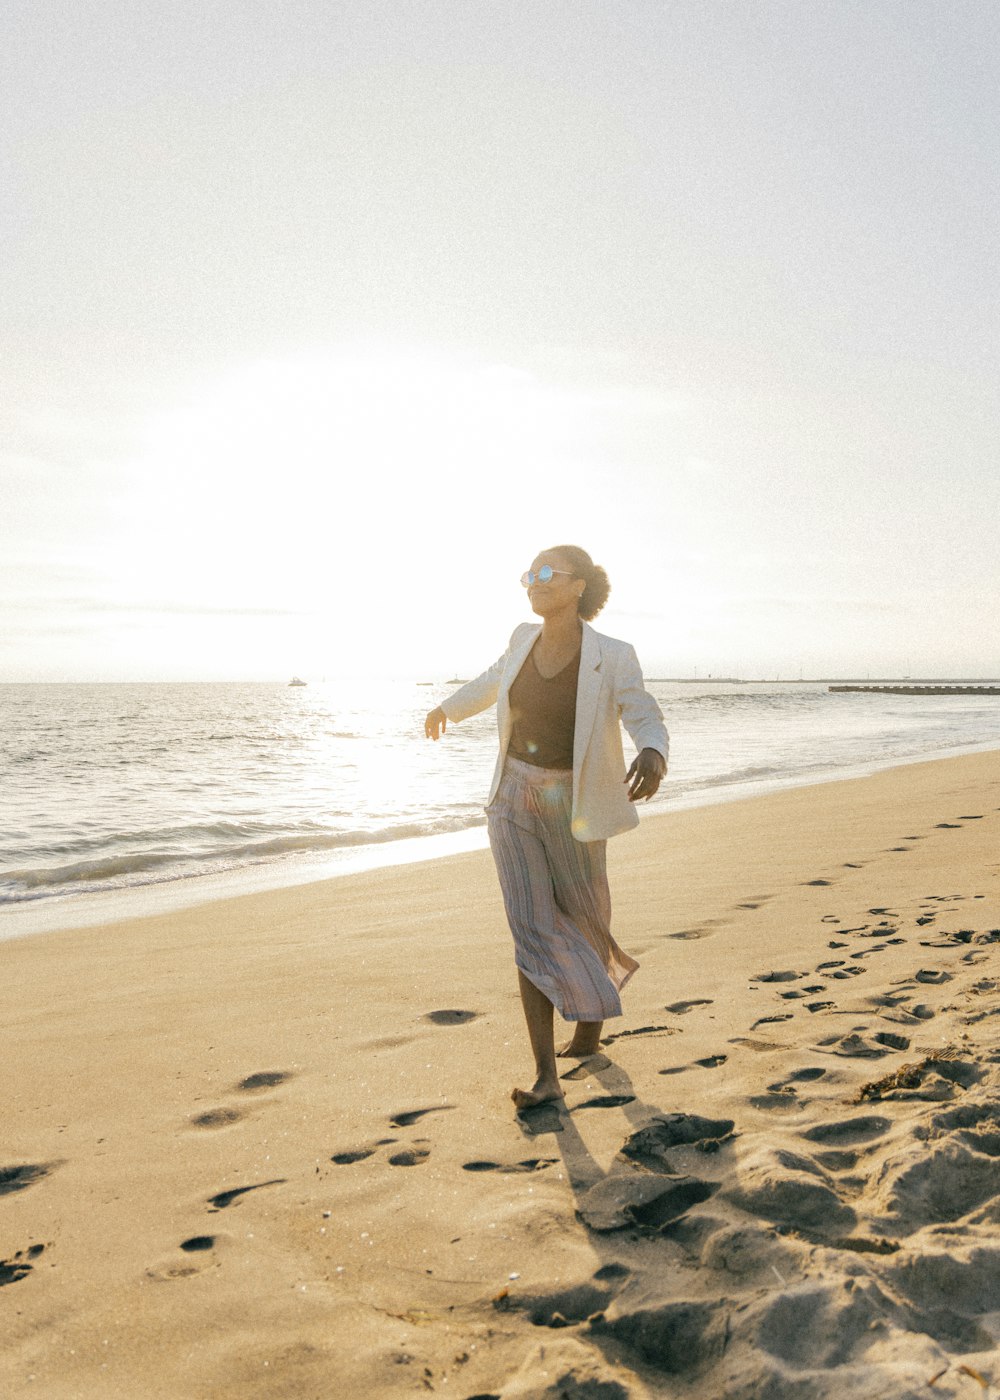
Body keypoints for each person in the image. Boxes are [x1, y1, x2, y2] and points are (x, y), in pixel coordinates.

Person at [424, 545, 669, 1111]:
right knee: (530, 924)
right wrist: (447, 709)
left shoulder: (613, 654)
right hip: (511, 795)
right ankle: (545, 1076)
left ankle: (588, 1027)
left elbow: (641, 708)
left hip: (574, 802)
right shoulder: (520, 638)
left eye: (544, 574)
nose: (532, 583)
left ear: (577, 585)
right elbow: (491, 682)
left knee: (585, 915)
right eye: (527, 575)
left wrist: (652, 750)